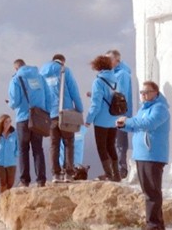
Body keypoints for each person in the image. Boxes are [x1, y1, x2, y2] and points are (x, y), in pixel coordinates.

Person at [116, 81, 170, 230]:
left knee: (152, 193)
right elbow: (136, 127)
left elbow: (149, 124)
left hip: (153, 155)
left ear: (156, 93)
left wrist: (128, 120)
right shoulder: (143, 109)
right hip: (142, 155)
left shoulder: (160, 108)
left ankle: (153, 226)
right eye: (142, 92)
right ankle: (155, 224)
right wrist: (124, 125)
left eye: (147, 92)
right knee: (148, 192)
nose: (144, 95)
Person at [8, 58, 51, 187]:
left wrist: (10, 104)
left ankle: (24, 180)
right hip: (38, 118)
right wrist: (46, 113)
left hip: (23, 118)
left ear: (16, 68)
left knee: (23, 149)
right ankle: (41, 180)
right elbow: (48, 96)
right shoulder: (40, 77)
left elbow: (14, 101)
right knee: (38, 149)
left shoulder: (16, 79)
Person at [40, 53, 84, 183]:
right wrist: (80, 109)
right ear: (62, 61)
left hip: (50, 114)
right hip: (65, 113)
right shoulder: (65, 71)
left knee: (54, 145)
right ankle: (68, 173)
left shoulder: (42, 73)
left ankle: (55, 174)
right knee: (69, 143)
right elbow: (74, 90)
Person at [85, 54, 121, 182]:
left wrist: (88, 120)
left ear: (97, 66)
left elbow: (96, 105)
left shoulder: (98, 81)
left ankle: (108, 174)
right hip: (114, 119)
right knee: (111, 146)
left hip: (101, 120)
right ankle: (116, 174)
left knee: (102, 147)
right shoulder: (115, 79)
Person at [107, 49, 133, 179]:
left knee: (120, 142)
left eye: (109, 59)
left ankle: (121, 170)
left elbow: (119, 94)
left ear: (117, 60)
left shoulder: (122, 74)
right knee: (114, 142)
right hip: (114, 112)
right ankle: (115, 169)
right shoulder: (114, 73)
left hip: (119, 113)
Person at [0, 114, 18, 194]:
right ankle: (2, 198)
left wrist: (16, 153)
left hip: (11, 162)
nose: (8, 123)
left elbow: (18, 145)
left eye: (10, 121)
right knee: (3, 182)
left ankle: (8, 198)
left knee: (10, 183)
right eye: (6, 122)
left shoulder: (14, 134)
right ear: (2, 123)